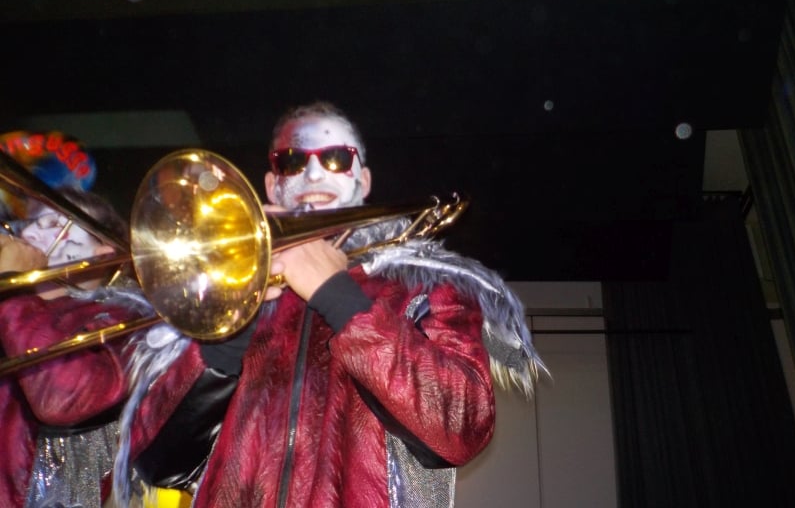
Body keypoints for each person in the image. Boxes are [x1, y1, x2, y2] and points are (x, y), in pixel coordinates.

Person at [113, 100, 545, 508]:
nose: (315, 173)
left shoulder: (427, 284)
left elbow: (462, 427)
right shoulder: (220, 291)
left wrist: (337, 296)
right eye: (293, 161)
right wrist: (230, 327)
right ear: (272, 185)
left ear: (363, 180)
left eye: (337, 158)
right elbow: (155, 460)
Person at [0, 187, 153, 508]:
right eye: (32, 223)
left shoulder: (126, 320)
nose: (28, 234)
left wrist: (12, 286)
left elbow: (62, 395)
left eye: (53, 224)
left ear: (102, 255)